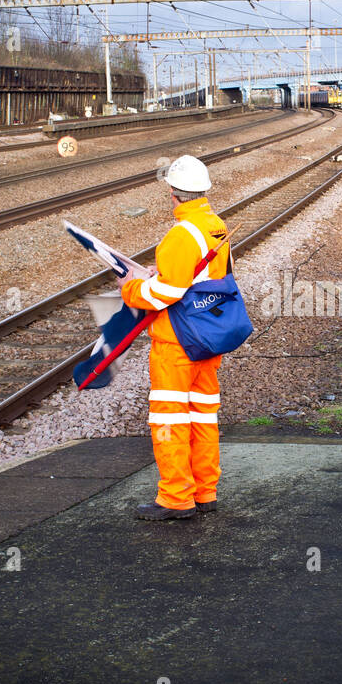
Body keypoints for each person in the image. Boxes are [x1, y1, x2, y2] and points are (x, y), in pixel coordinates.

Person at [121, 155, 231, 521]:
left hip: (177, 341)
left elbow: (166, 293)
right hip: (208, 336)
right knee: (202, 416)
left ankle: (176, 498)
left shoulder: (181, 234)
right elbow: (200, 278)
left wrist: (133, 288)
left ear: (172, 193)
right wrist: (164, 275)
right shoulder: (215, 225)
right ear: (203, 191)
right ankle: (205, 492)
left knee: (169, 417)